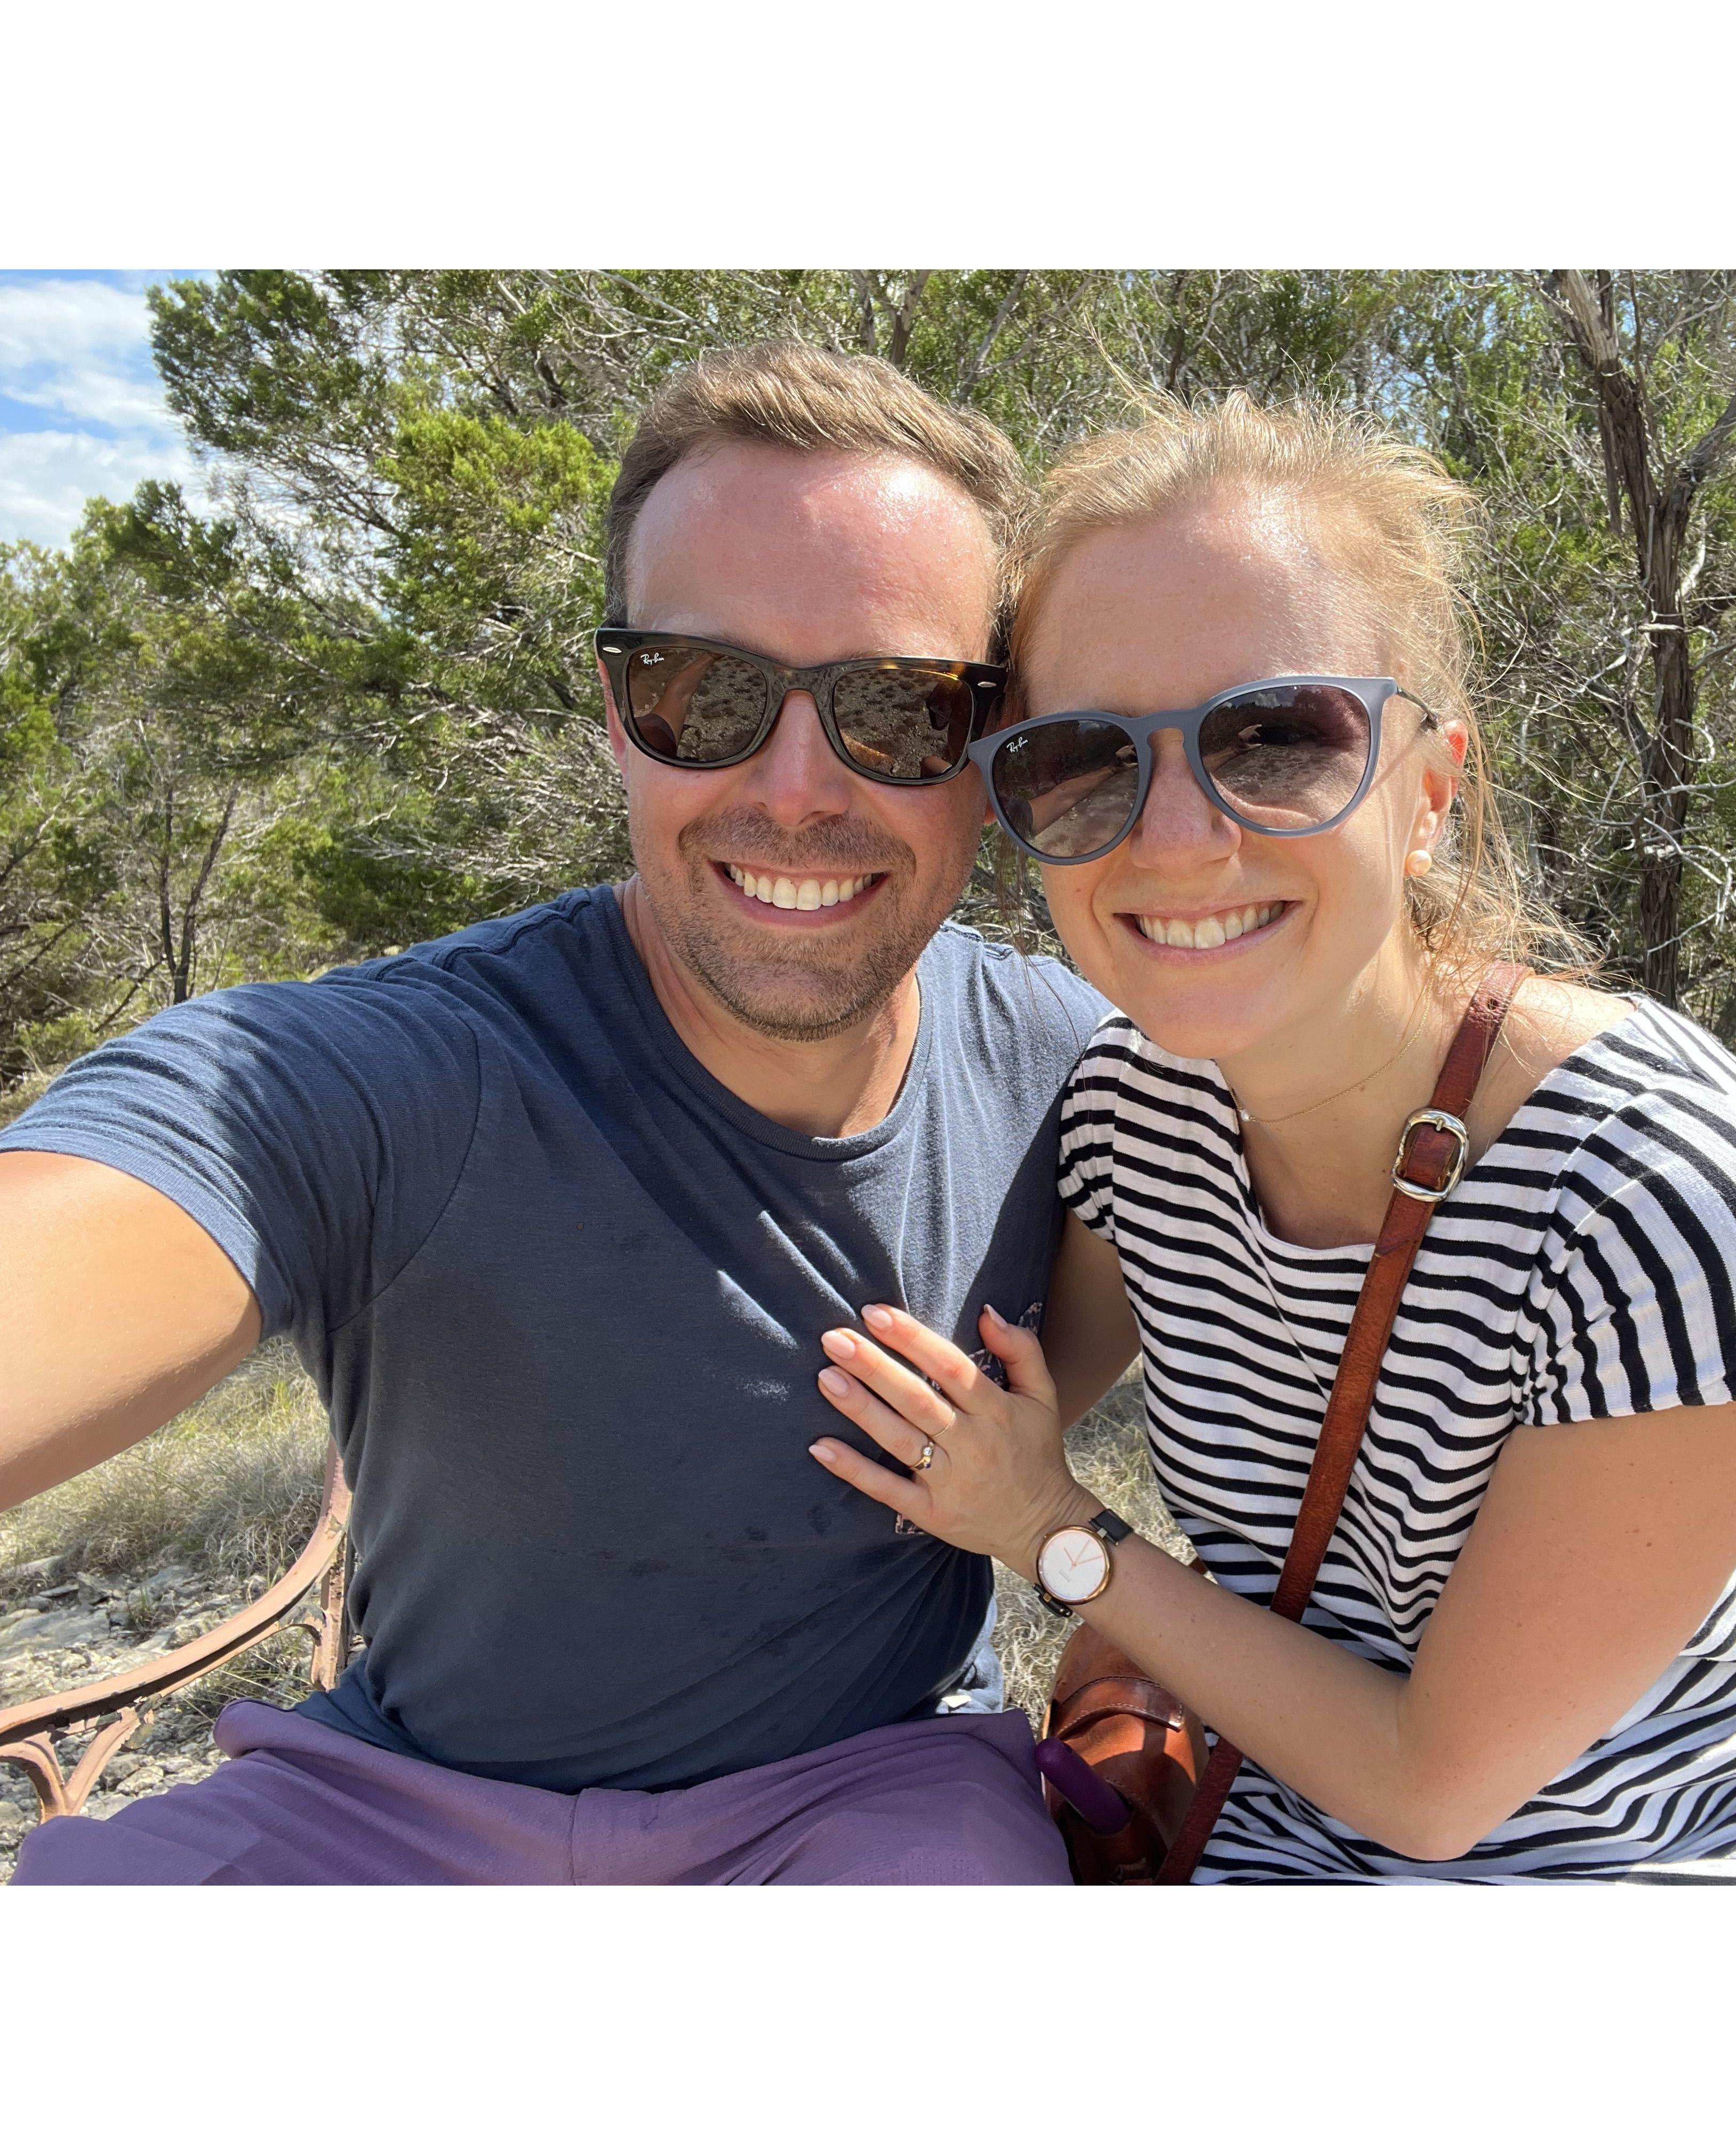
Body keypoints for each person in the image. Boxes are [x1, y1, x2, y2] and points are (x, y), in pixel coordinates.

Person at [0, 343, 1114, 1886]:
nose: (797, 788)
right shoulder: (402, 1075)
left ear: (987, 756)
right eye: (703, 692)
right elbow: (174, 1170)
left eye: (902, 711)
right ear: (613, 710)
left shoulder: (1079, 1071)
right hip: (400, 1809)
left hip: (872, 1792)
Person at [805, 392, 1736, 1883]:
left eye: (1274, 739)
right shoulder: (1133, 1123)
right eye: (1082, 760)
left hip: (1653, 1850)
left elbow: (1436, 1789)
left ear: (1429, 790)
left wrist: (1060, 1532)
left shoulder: (1663, 1185)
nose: (1173, 834)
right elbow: (969, 1406)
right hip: (1281, 1835)